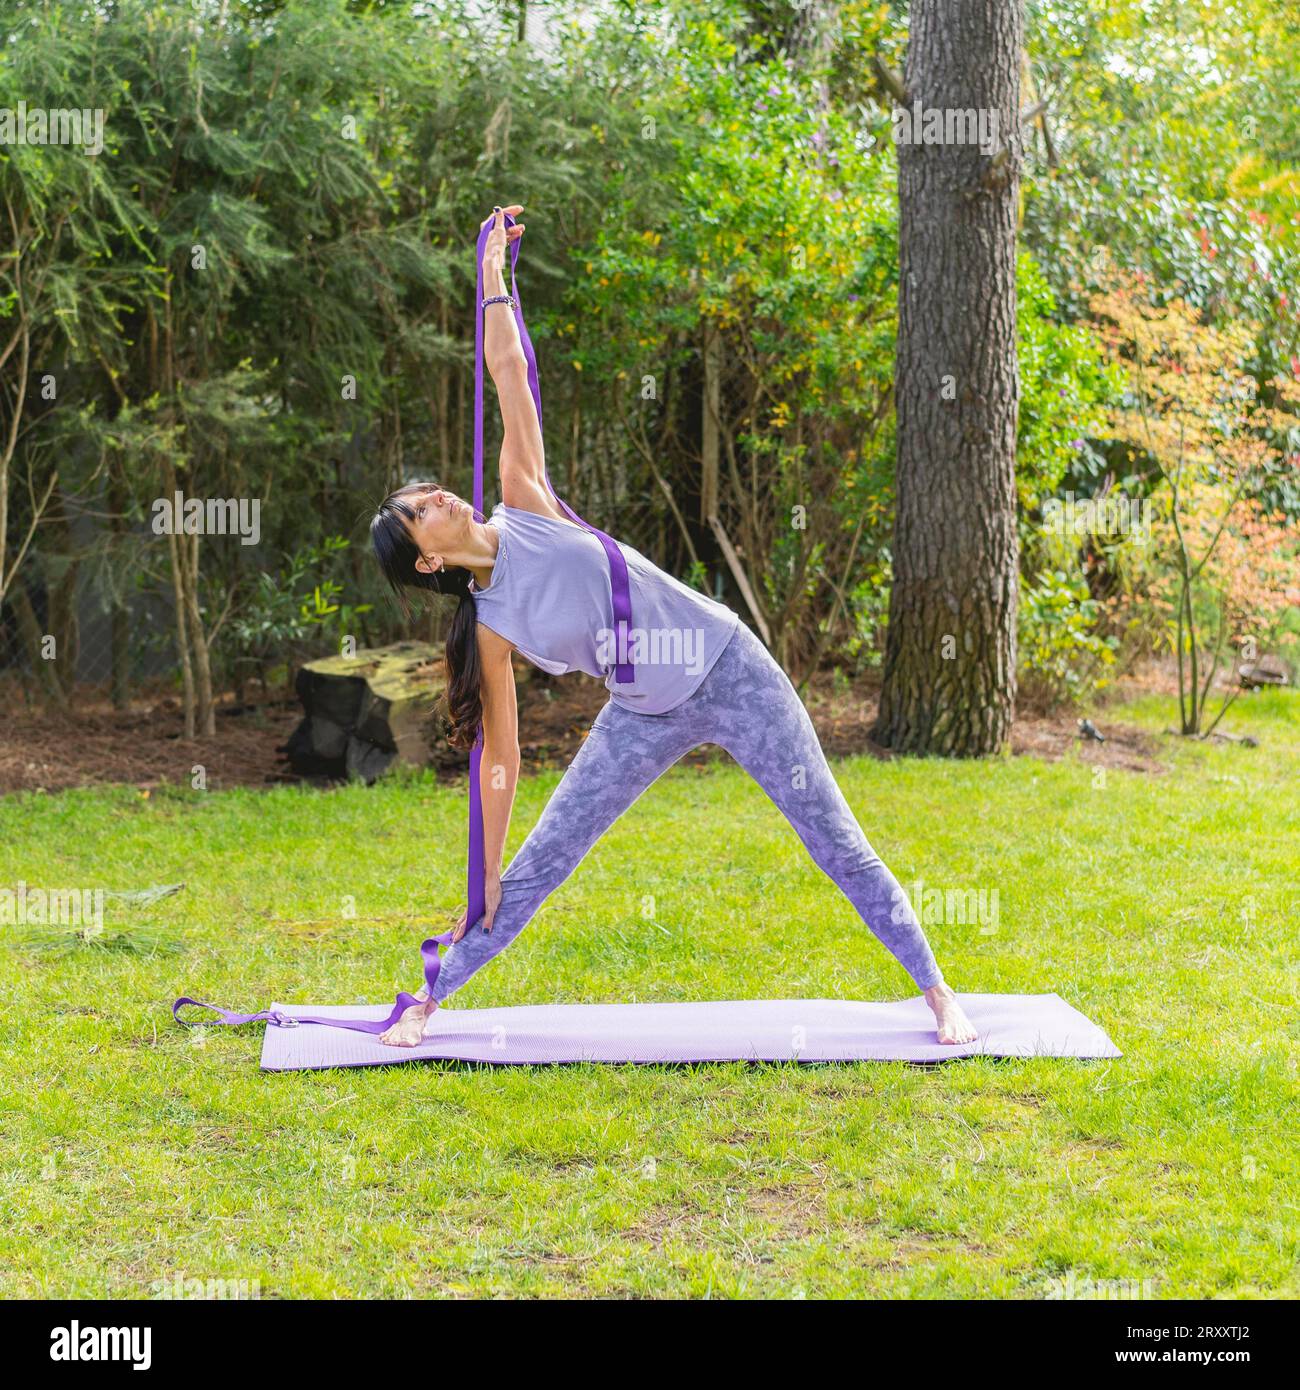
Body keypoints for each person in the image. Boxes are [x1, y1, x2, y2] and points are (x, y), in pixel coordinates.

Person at [369, 206, 977, 1048]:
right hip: (641, 712)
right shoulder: (491, 628)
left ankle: (939, 992)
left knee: (834, 839)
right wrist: (486, 868)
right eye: (417, 514)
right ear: (427, 562)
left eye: (427, 490)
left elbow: (509, 369)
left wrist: (492, 272)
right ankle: (428, 1005)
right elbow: (501, 756)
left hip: (731, 667)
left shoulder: (524, 497)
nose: (434, 497)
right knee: (531, 872)